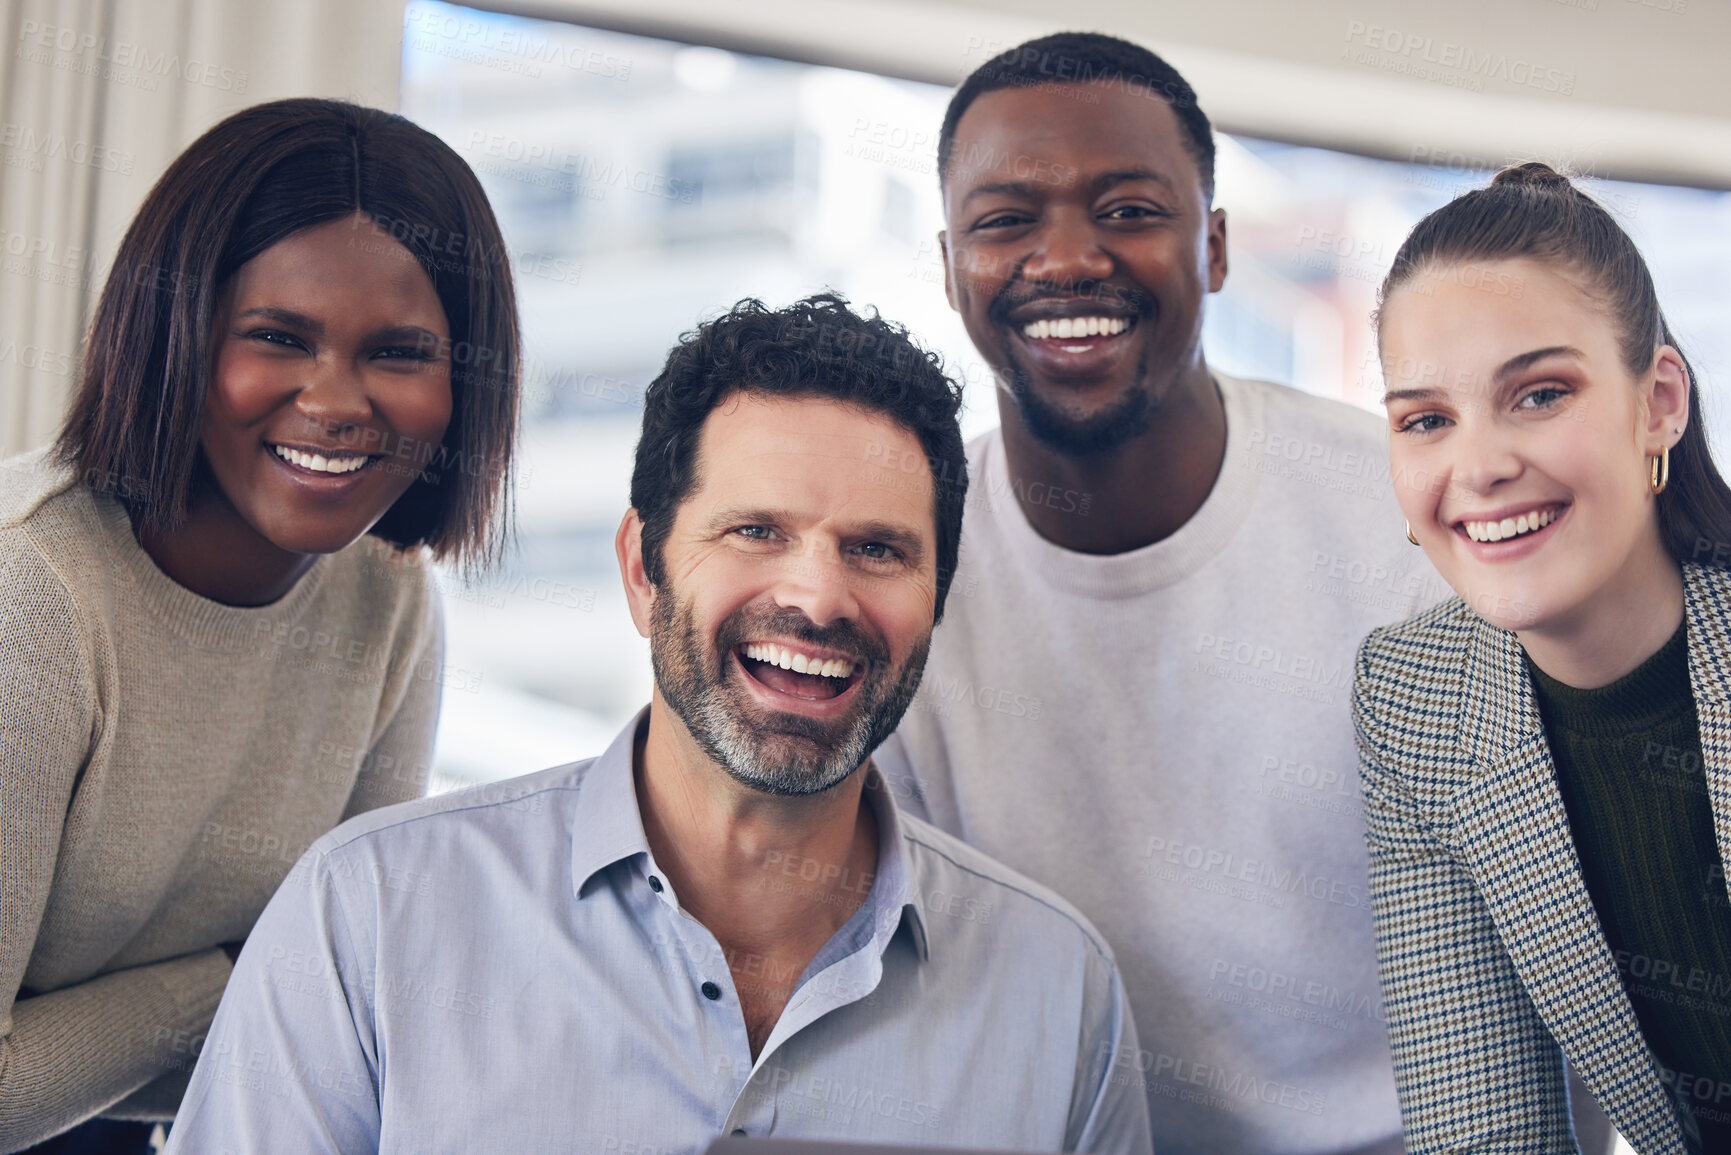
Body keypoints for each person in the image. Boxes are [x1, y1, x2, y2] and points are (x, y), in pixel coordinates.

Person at [162, 295, 1151, 1155]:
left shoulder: (1061, 994)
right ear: (645, 570)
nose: (818, 598)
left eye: (879, 549)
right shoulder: (366, 919)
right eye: (755, 530)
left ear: (936, 598)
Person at [870, 33, 1445, 1154]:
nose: (1068, 258)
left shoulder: (1407, 519)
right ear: (949, 267)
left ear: (1216, 246)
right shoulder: (900, 566)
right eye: (1005, 222)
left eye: (1129, 210)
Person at [0, 98, 519, 1152]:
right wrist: (233, 984)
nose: (336, 402)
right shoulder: (32, 592)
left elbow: (342, 1016)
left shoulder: (389, 601)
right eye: (279, 337)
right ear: (176, 336)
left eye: (399, 352)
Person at [1357, 161, 1731, 1152]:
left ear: (1658, 403)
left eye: (1539, 394)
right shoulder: (1413, 703)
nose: (1477, 467)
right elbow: (1479, 1128)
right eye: (1427, 420)